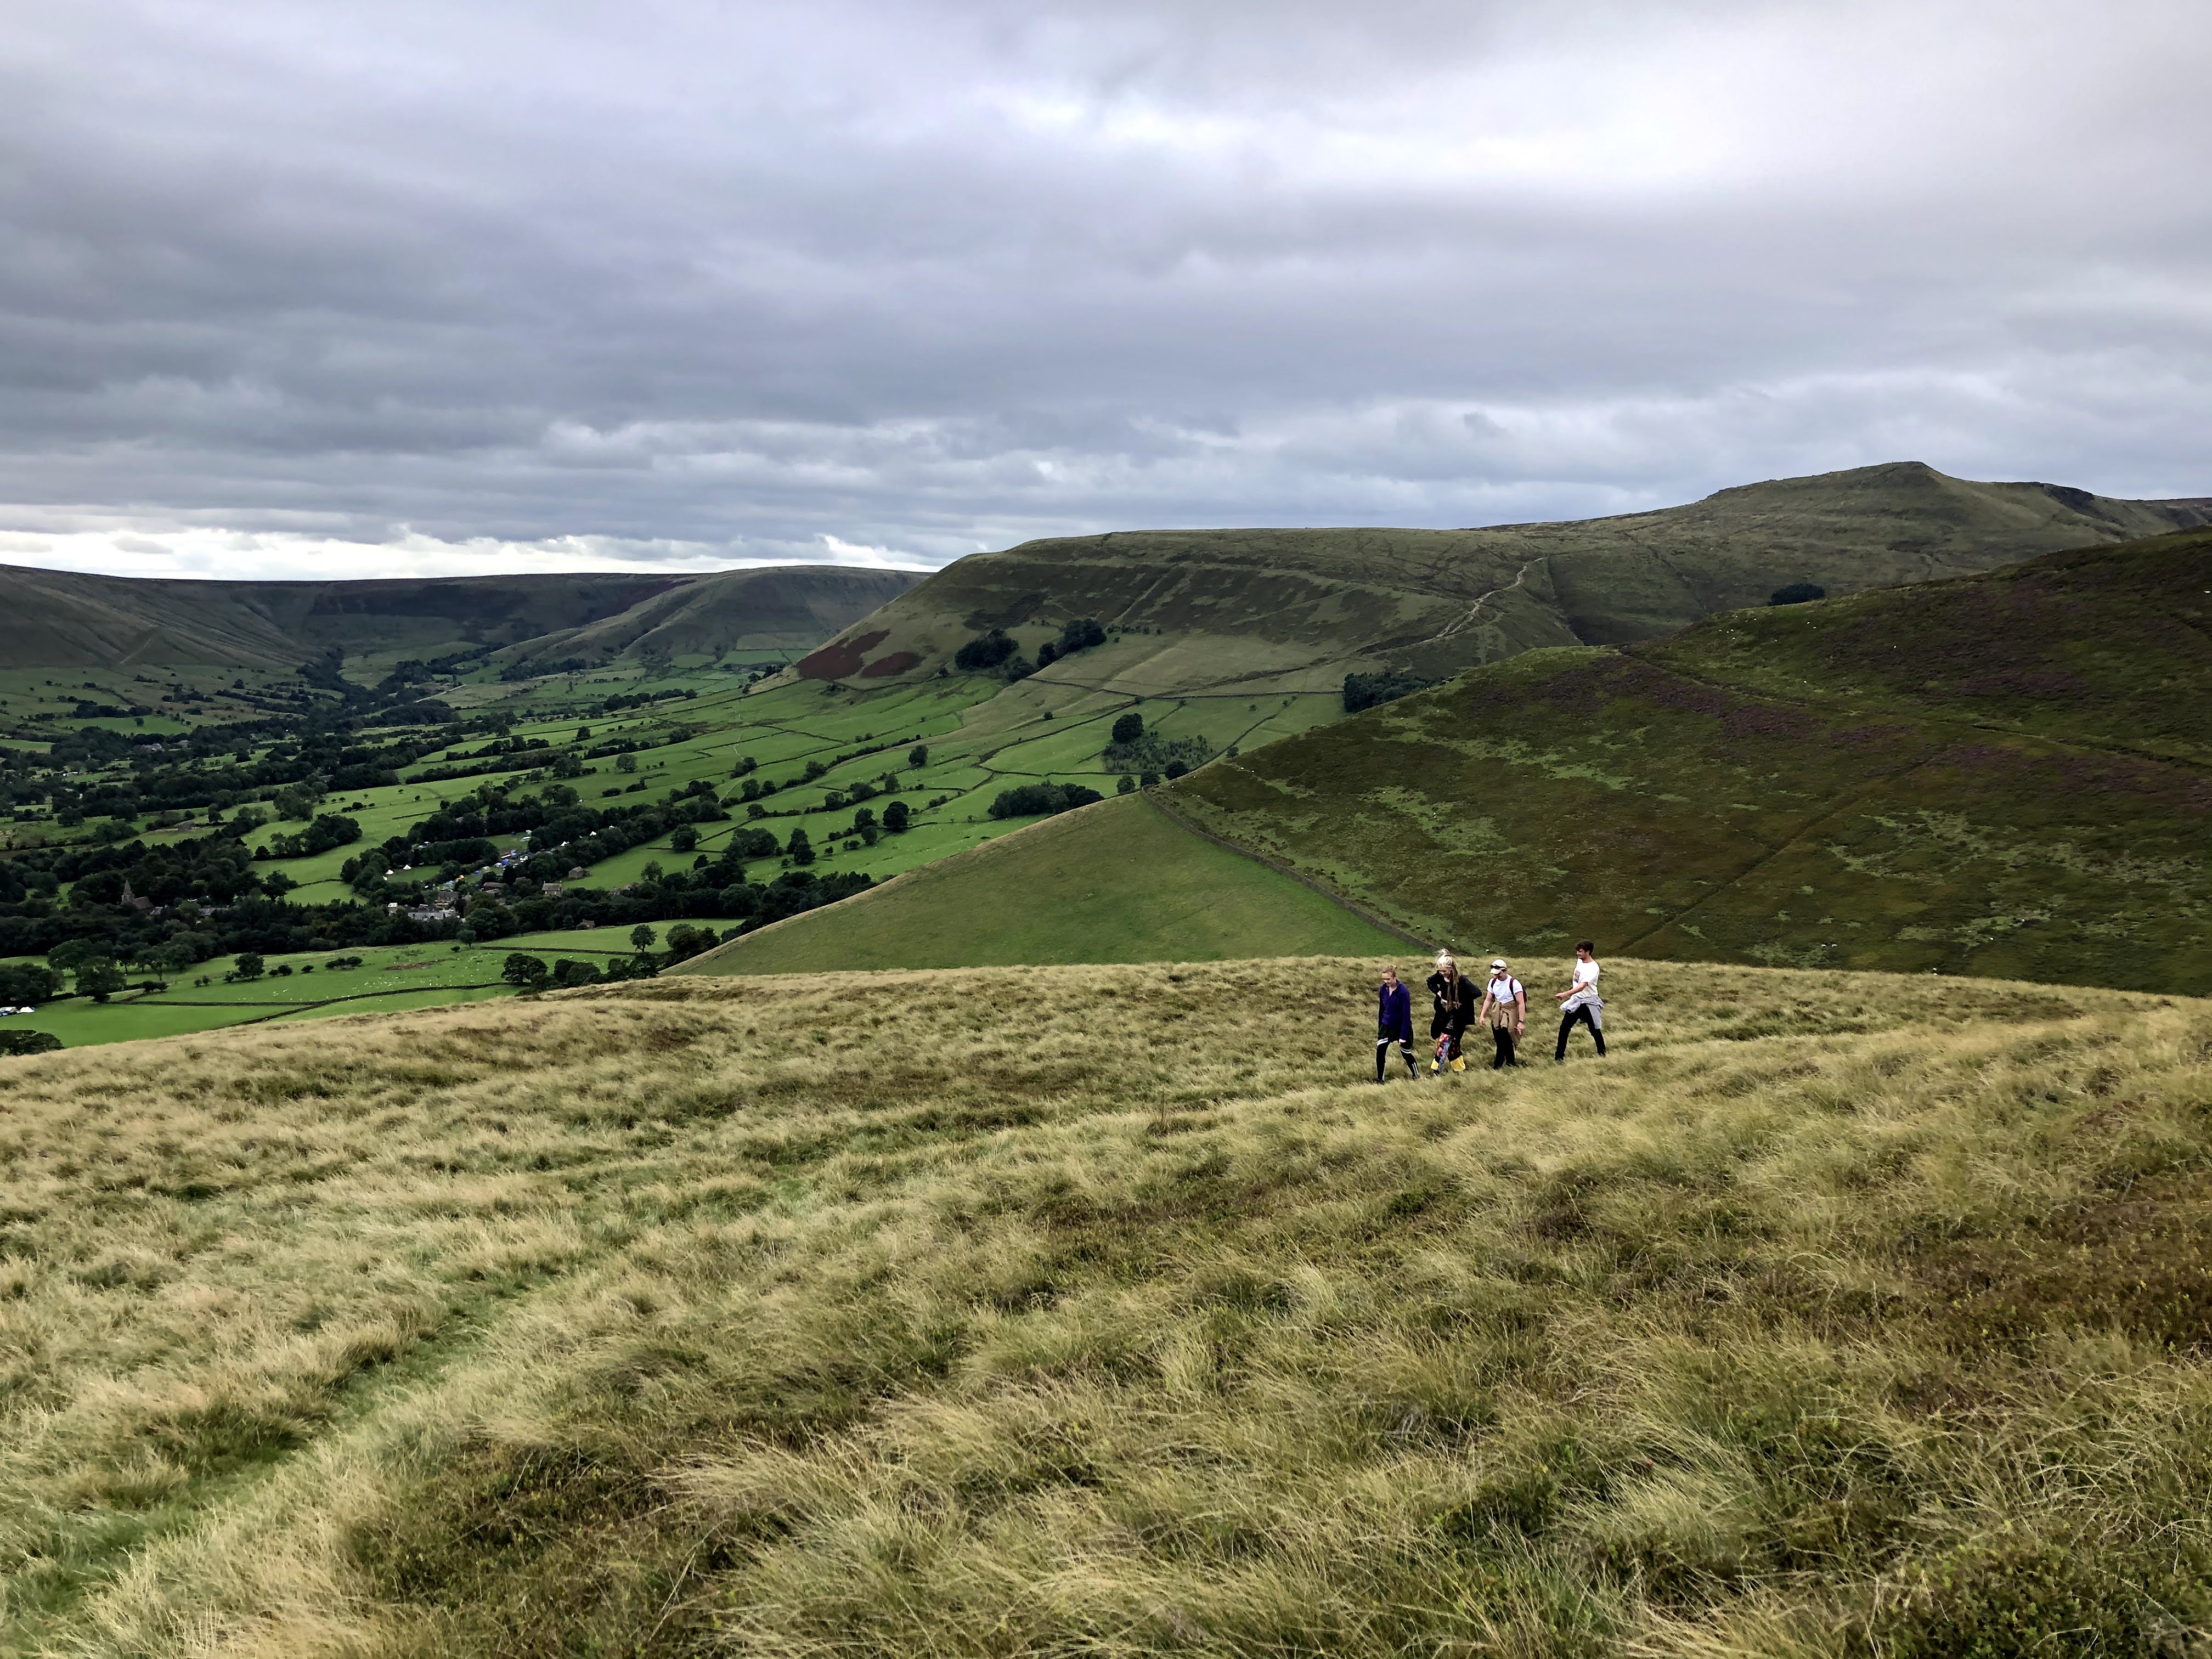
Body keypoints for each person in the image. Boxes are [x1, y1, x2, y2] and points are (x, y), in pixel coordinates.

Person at [1553, 940, 1607, 1060]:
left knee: (1595, 1030)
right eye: (1577, 951)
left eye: (1581, 951)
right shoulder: (1580, 961)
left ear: (1588, 952)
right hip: (1577, 1001)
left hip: (1589, 1003)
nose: (1578, 953)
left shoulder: (1593, 968)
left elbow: (1582, 986)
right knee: (1564, 1029)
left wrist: (1565, 994)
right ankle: (1559, 1058)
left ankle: (1602, 1055)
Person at [1425, 951, 1476, 1074]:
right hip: (1443, 1014)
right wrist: (1438, 992)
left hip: (1457, 1018)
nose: (1441, 973)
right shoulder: (1440, 976)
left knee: (1443, 1041)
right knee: (1453, 1045)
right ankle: (1460, 1070)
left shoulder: (1461, 981)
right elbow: (1430, 982)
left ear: (1451, 969)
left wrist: (1459, 1002)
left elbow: (1476, 992)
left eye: (1444, 971)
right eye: (1440, 971)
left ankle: (1436, 1071)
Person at [1477, 956, 1526, 1069]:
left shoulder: (1514, 983)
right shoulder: (1493, 982)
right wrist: (1482, 1015)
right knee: (1498, 1037)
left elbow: (1521, 1003)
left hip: (1511, 1011)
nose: (1497, 976)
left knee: (1507, 1036)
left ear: (1505, 971)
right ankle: (1507, 1063)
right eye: (1495, 974)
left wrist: (1521, 1021)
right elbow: (1489, 999)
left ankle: (1503, 1063)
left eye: (1499, 974)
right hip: (1497, 1011)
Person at [1373, 965, 1419, 1082]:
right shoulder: (1383, 989)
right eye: (1384, 979)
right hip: (1386, 1026)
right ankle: (1380, 1079)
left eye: (1388, 979)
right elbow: (1382, 1009)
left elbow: (1406, 1015)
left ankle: (1416, 1076)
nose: (1386, 982)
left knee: (1406, 1053)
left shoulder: (1403, 992)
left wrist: (1403, 1036)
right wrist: (1380, 1027)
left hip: (1401, 1027)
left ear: (1395, 977)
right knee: (1380, 1051)